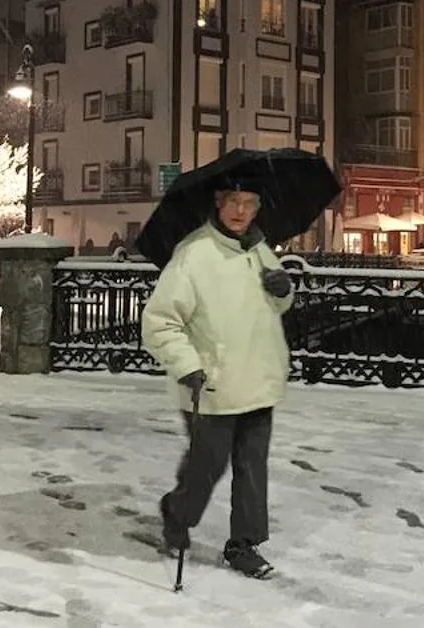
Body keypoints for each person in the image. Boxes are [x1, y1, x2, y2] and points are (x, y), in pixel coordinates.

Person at [142, 179, 295, 580]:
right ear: (218, 202)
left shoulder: (261, 250)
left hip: (259, 378)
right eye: (233, 202)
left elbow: (274, 305)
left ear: (258, 207)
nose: (240, 212)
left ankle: (244, 544)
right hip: (211, 383)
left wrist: (283, 290)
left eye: (248, 203)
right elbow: (159, 322)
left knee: (252, 467)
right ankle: (178, 512)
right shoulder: (194, 254)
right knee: (206, 466)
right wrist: (187, 365)